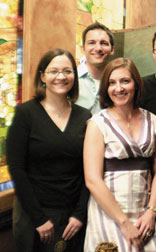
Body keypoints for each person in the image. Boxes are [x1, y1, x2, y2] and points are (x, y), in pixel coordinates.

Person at [6, 48, 91, 251]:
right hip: (33, 216)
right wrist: (39, 218)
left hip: (72, 218)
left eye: (67, 71)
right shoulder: (25, 114)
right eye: (54, 71)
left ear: (74, 75)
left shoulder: (84, 117)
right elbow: (17, 168)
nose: (61, 76)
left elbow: (89, 170)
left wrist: (79, 214)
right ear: (42, 76)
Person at [83, 57, 156, 252]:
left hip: (145, 213)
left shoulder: (152, 120)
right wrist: (124, 222)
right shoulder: (97, 124)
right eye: (112, 82)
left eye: (125, 81)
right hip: (109, 214)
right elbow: (92, 180)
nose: (119, 88)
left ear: (136, 83)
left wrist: (152, 211)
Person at [76, 22, 115, 114]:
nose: (98, 48)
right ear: (83, 49)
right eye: (91, 43)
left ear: (112, 49)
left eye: (104, 43)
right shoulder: (70, 80)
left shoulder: (118, 83)